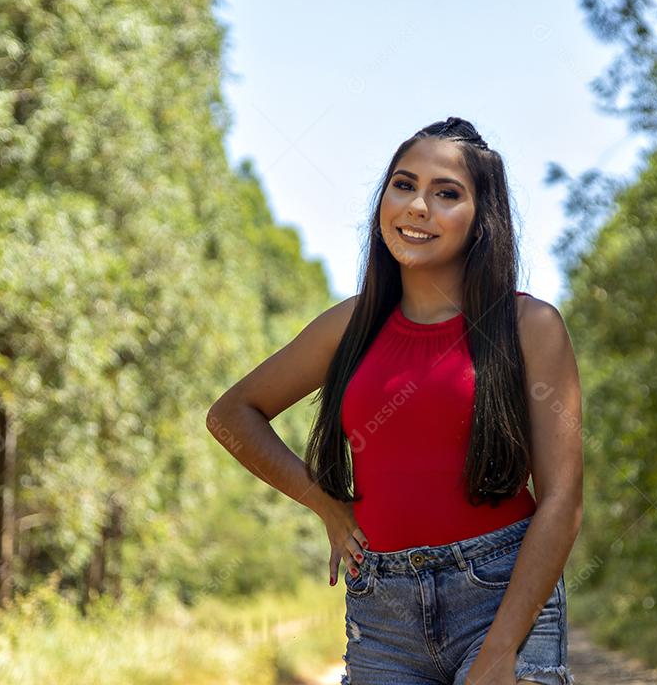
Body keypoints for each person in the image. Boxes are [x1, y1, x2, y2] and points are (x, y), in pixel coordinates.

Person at [207, 116, 582, 685]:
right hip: (381, 609)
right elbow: (232, 415)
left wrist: (502, 651)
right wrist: (328, 504)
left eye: (446, 193)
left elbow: (562, 502)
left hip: (499, 593)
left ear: (482, 219)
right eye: (403, 185)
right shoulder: (349, 325)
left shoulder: (529, 325)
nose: (417, 206)